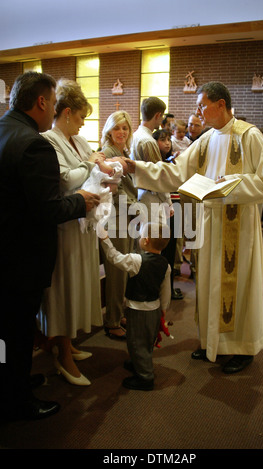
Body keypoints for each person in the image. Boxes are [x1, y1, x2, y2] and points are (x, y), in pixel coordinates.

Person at [125, 81, 263, 374]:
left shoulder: (248, 136)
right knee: (209, 282)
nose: (198, 111)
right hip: (210, 224)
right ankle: (213, 342)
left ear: (221, 105)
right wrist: (135, 167)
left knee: (239, 285)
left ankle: (241, 348)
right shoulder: (206, 141)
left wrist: (231, 185)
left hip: (239, 227)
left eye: (202, 105)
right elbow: (175, 173)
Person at [0, 72, 100, 420]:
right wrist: (82, 202)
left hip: (5, 250)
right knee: (17, 332)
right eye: (53, 102)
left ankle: (14, 384)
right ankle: (16, 402)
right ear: (42, 102)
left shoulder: (3, 130)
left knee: (8, 332)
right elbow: (47, 208)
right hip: (21, 257)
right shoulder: (35, 142)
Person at [38, 79, 114, 386]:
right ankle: (62, 354)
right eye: (81, 117)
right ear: (67, 113)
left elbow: (94, 167)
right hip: (64, 227)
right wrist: (91, 164)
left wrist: (102, 169)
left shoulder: (79, 140)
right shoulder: (49, 139)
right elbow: (65, 179)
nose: (84, 123)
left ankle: (68, 343)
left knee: (80, 283)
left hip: (83, 221)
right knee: (64, 289)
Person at [99, 222, 171, 391]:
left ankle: (145, 377)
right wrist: (163, 310)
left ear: (145, 241)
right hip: (154, 310)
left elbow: (114, 257)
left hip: (138, 311)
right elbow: (165, 291)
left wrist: (105, 238)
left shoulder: (137, 260)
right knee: (146, 340)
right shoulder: (165, 265)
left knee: (136, 342)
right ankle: (138, 363)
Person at [100, 110, 138, 339]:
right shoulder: (107, 153)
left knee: (123, 269)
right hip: (115, 218)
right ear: (109, 131)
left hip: (125, 217)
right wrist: (139, 210)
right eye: (117, 128)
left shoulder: (122, 151)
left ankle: (118, 311)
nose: (121, 132)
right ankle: (112, 320)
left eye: (125, 128)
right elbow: (117, 193)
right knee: (116, 271)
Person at [130, 96, 172, 224]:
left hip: (138, 194)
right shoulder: (148, 141)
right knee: (154, 239)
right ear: (158, 115)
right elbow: (158, 175)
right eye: (162, 116)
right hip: (151, 198)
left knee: (144, 239)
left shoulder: (135, 135)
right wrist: (168, 202)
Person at [153, 128, 183, 300]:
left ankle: (169, 288)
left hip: (175, 204)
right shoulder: (155, 162)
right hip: (163, 206)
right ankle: (160, 289)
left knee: (172, 248)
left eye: (168, 140)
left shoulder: (173, 161)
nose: (167, 143)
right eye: (162, 139)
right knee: (161, 248)